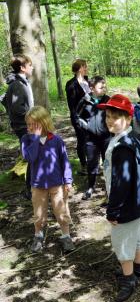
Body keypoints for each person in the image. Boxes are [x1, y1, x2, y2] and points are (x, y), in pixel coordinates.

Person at [97, 94, 140, 302]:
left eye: (116, 117)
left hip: (126, 205)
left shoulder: (122, 148)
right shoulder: (131, 138)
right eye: (108, 116)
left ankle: (129, 280)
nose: (110, 120)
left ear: (128, 119)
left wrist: (113, 209)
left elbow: (122, 182)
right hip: (138, 201)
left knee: (122, 242)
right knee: (137, 236)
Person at [21, 106, 74, 253]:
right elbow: (29, 157)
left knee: (61, 211)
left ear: (43, 122)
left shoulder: (56, 140)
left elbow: (65, 161)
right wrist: (36, 138)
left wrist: (68, 180)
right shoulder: (26, 140)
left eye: (34, 124)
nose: (30, 127)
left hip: (57, 184)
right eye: (28, 124)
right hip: (37, 184)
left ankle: (66, 236)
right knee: (39, 214)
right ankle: (38, 235)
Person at [4, 54, 35, 198]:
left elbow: (4, 99)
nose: (32, 67)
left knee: (34, 155)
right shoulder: (17, 84)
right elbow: (17, 108)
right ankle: (30, 190)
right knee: (32, 156)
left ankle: (32, 187)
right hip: (24, 127)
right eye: (30, 65)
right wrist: (33, 116)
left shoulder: (22, 82)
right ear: (23, 68)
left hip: (27, 124)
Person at [76, 76, 111, 200]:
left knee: (108, 163)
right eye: (101, 87)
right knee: (92, 164)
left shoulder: (108, 100)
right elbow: (77, 116)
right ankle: (90, 186)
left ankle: (109, 188)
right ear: (91, 88)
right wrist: (86, 126)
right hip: (91, 139)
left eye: (104, 86)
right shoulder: (85, 100)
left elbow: (114, 115)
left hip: (106, 138)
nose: (104, 88)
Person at [65, 59, 90, 174]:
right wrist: (76, 119)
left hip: (90, 116)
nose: (87, 69)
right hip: (79, 117)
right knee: (82, 140)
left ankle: (91, 163)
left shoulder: (87, 81)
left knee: (91, 140)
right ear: (80, 68)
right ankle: (83, 165)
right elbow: (72, 105)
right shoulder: (71, 84)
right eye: (85, 67)